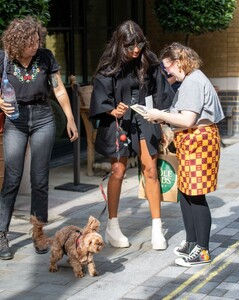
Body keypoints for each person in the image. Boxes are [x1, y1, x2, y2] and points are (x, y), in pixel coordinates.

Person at [89, 20, 174, 250]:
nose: (136, 50)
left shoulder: (150, 61)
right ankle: (113, 226)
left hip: (145, 118)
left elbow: (161, 92)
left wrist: (162, 120)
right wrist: (111, 109)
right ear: (120, 44)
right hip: (120, 120)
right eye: (130, 46)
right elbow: (100, 94)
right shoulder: (110, 65)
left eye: (139, 44)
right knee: (117, 171)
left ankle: (157, 227)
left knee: (150, 169)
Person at [0, 16, 78, 260]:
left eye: (37, 40)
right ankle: (2, 233)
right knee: (12, 178)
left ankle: (38, 232)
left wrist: (71, 118)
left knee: (40, 178)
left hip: (43, 116)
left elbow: (58, 88)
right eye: (30, 42)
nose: (36, 45)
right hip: (16, 120)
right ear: (17, 42)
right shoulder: (4, 59)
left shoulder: (45, 57)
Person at [144, 42, 225, 266]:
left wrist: (160, 114)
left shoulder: (193, 82)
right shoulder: (192, 79)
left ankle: (203, 251)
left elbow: (188, 120)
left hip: (198, 140)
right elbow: (183, 115)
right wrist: (162, 116)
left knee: (196, 195)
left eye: (167, 65)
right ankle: (192, 242)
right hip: (194, 140)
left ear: (179, 62)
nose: (166, 71)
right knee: (187, 192)